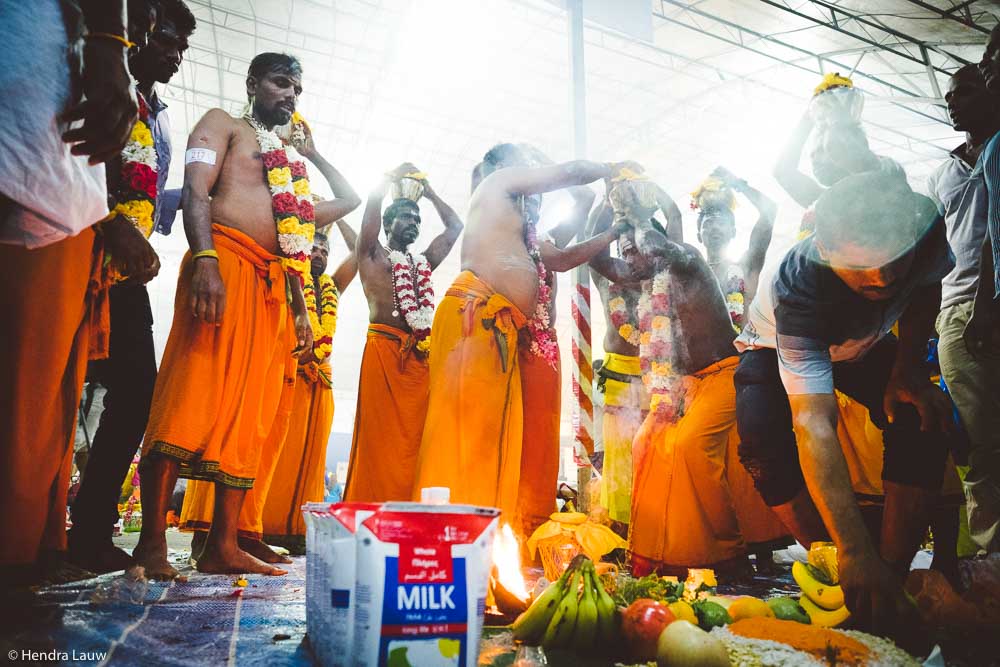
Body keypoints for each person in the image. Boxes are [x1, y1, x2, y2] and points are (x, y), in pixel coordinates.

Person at [734, 171, 953, 632]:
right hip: (775, 342)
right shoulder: (800, 287)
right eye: (861, 267)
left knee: (921, 413)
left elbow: (925, 285)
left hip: (864, 343)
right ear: (825, 250)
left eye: (895, 259)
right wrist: (852, 550)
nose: (884, 277)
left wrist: (907, 368)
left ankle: (889, 574)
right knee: (760, 443)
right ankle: (834, 564)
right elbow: (813, 420)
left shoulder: (925, 227)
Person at [133, 52, 320, 580]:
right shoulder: (222, 124)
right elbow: (195, 191)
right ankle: (150, 546)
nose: (290, 95)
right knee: (188, 395)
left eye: (296, 88)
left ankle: (223, 545)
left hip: (272, 289)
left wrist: (301, 310)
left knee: (249, 415)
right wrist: (207, 262)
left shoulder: (290, 159)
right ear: (252, 82)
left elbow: (294, 242)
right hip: (224, 267)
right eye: (281, 82)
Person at [0, 0, 148, 584]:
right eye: (150, 27)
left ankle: (34, 548)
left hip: (63, 199)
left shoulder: (139, 104)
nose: (160, 42)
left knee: (49, 389)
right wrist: (110, 42)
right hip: (42, 175)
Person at [177, 111, 361, 569]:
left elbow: (352, 213)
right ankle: (207, 534)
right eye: (312, 240)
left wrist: (311, 156)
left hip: (299, 357)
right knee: (216, 413)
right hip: (245, 289)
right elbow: (196, 189)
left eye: (323, 243)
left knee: (262, 438)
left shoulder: (328, 282)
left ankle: (246, 531)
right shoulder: (230, 135)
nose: (317, 248)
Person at [412, 144, 629, 521]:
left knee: (492, 437)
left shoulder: (523, 228)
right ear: (503, 167)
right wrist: (613, 167)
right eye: (526, 167)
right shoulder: (500, 181)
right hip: (476, 315)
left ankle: (489, 531)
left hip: (497, 326)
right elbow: (572, 174)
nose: (533, 179)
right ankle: (454, 530)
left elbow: (574, 209)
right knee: (468, 436)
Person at [68, 0, 197, 574]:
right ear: (130, 29)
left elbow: (147, 195)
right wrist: (110, 221)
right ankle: (43, 530)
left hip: (122, 268)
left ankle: (88, 532)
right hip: (74, 243)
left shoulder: (159, 115)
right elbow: (65, 153)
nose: (173, 53)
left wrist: (203, 205)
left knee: (136, 391)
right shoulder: (90, 72)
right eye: (163, 37)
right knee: (58, 387)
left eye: (180, 47)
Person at [597, 182, 782, 575]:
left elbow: (669, 232)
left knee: (691, 446)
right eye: (706, 219)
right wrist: (617, 223)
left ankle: (731, 556)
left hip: (730, 375)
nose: (630, 257)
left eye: (720, 218)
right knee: (647, 442)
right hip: (686, 385)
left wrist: (641, 210)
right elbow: (599, 261)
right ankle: (665, 555)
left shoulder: (690, 259)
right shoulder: (645, 277)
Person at [342, 163, 462, 503]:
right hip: (382, 354)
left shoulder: (422, 262)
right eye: (407, 217)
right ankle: (370, 513)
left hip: (419, 361)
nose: (414, 223)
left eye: (418, 219)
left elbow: (455, 227)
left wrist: (429, 190)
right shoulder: (371, 254)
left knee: (415, 443)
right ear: (387, 223)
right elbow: (371, 206)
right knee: (378, 441)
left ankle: (408, 512)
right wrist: (388, 179)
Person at [930, 63, 1000, 554]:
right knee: (978, 437)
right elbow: (934, 253)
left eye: (965, 92)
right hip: (957, 312)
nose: (953, 102)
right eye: (950, 96)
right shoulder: (943, 172)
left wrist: (986, 305)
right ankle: (988, 548)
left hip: (986, 307)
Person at [587, 178, 682, 530]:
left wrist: (649, 188)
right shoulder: (609, 279)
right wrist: (608, 201)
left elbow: (675, 220)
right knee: (620, 464)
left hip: (660, 379)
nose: (628, 253)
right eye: (622, 247)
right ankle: (622, 532)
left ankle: (661, 530)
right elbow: (593, 248)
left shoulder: (670, 277)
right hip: (618, 382)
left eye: (635, 246)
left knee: (658, 458)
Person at [262, 221, 358, 550]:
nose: (319, 255)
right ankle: (262, 527)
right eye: (314, 249)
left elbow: (360, 250)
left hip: (320, 381)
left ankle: (295, 531)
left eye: (325, 251)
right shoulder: (290, 278)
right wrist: (307, 222)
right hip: (287, 372)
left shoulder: (332, 285)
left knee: (311, 456)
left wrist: (340, 217)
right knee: (279, 452)